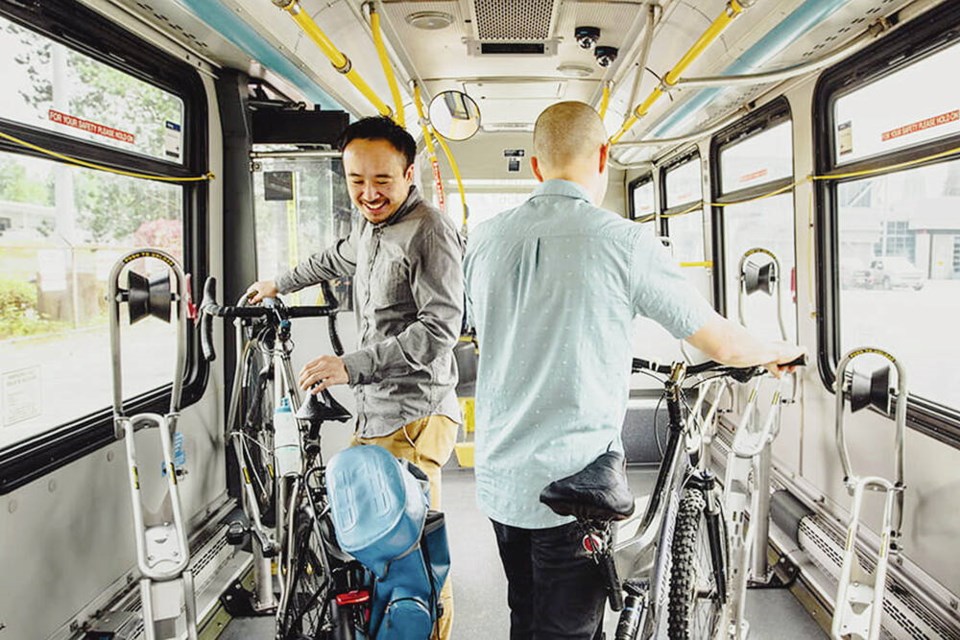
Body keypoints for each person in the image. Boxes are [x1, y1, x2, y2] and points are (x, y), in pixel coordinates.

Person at [462, 101, 804, 640]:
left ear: (535, 166)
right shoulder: (624, 242)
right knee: (568, 629)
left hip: (501, 478)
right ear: (604, 155)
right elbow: (719, 340)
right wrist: (776, 349)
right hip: (572, 485)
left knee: (524, 613)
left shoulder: (482, 240)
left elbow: (491, 329)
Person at [247, 116, 463, 639]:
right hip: (376, 411)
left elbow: (439, 330)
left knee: (412, 555)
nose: (368, 193)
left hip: (414, 415)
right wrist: (279, 283)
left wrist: (351, 366)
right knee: (376, 549)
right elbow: (332, 259)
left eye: (382, 180)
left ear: (409, 173)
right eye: (355, 180)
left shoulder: (429, 231)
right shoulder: (370, 229)